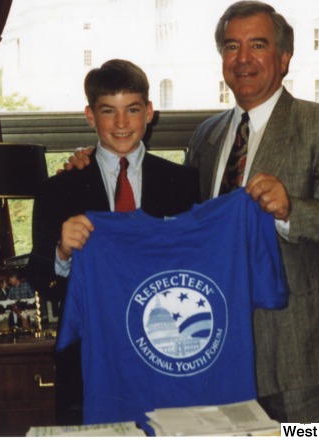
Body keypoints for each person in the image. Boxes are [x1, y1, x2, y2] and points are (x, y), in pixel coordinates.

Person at [65, 1, 319, 423]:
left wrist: (291, 210)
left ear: (283, 58)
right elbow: (178, 233)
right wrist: (92, 160)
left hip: (298, 353)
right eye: (231, 47)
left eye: (257, 45)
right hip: (213, 353)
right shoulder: (207, 137)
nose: (242, 59)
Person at [29, 58, 201, 425]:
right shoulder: (57, 190)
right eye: (109, 112)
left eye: (132, 110)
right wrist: (60, 251)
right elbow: (38, 278)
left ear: (149, 113)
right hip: (90, 357)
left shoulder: (184, 183)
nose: (121, 124)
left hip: (167, 351)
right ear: (91, 116)